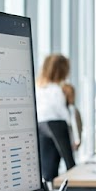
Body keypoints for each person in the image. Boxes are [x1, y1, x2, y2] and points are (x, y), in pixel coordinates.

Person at [35, 54, 79, 182]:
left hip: (40, 124)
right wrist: (74, 138)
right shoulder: (60, 89)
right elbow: (67, 115)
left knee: (48, 169)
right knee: (70, 164)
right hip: (57, 124)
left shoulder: (38, 87)